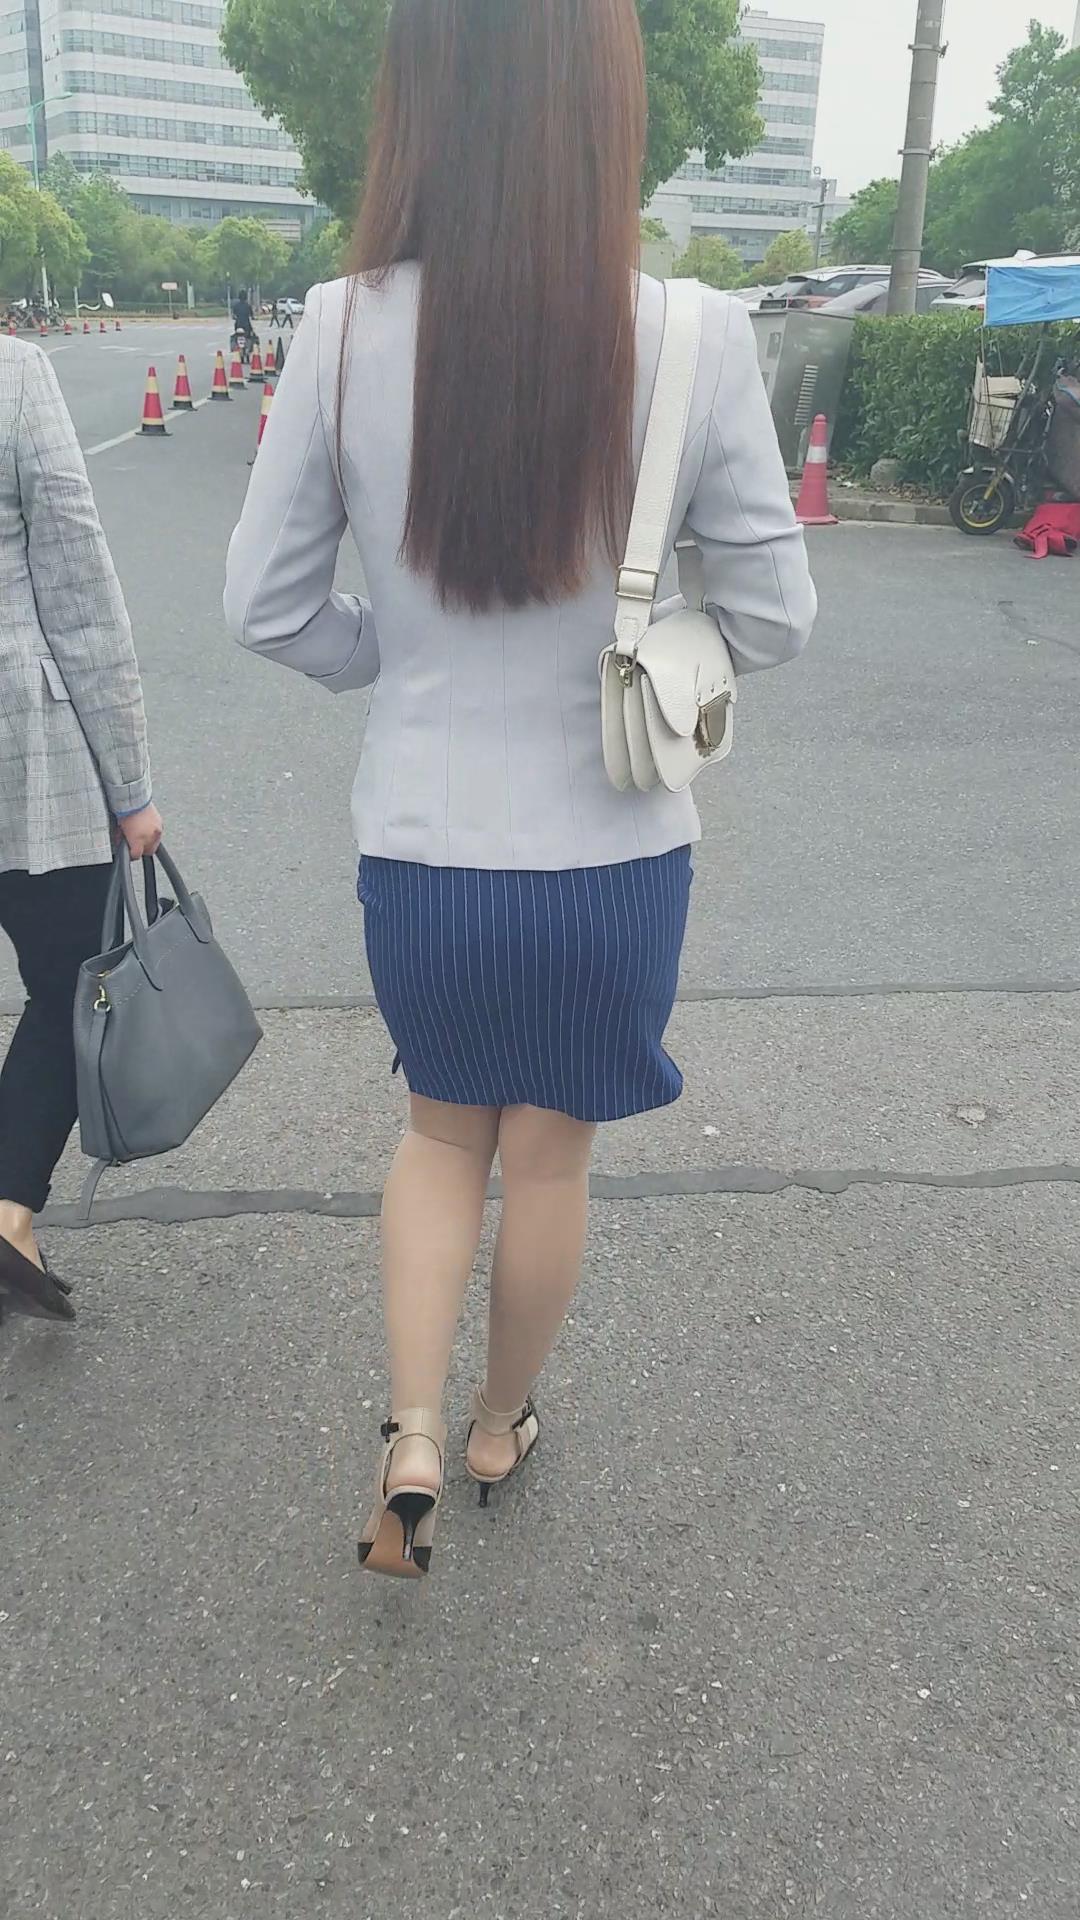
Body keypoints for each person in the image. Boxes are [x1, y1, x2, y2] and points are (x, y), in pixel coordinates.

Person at [224, 0, 816, 1581]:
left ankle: (408, 1436)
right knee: (549, 1159)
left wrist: (398, 657)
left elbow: (266, 606)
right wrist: (643, 638)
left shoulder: (338, 327)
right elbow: (774, 618)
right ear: (603, 108)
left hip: (424, 849)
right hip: (614, 856)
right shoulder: (695, 335)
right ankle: (498, 1425)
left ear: (418, 101)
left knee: (439, 1142)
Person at [0, 335, 162, 1325]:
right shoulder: (14, 374)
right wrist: (131, 787)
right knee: (74, 983)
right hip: (22, 756)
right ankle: (8, 1204)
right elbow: (78, 593)